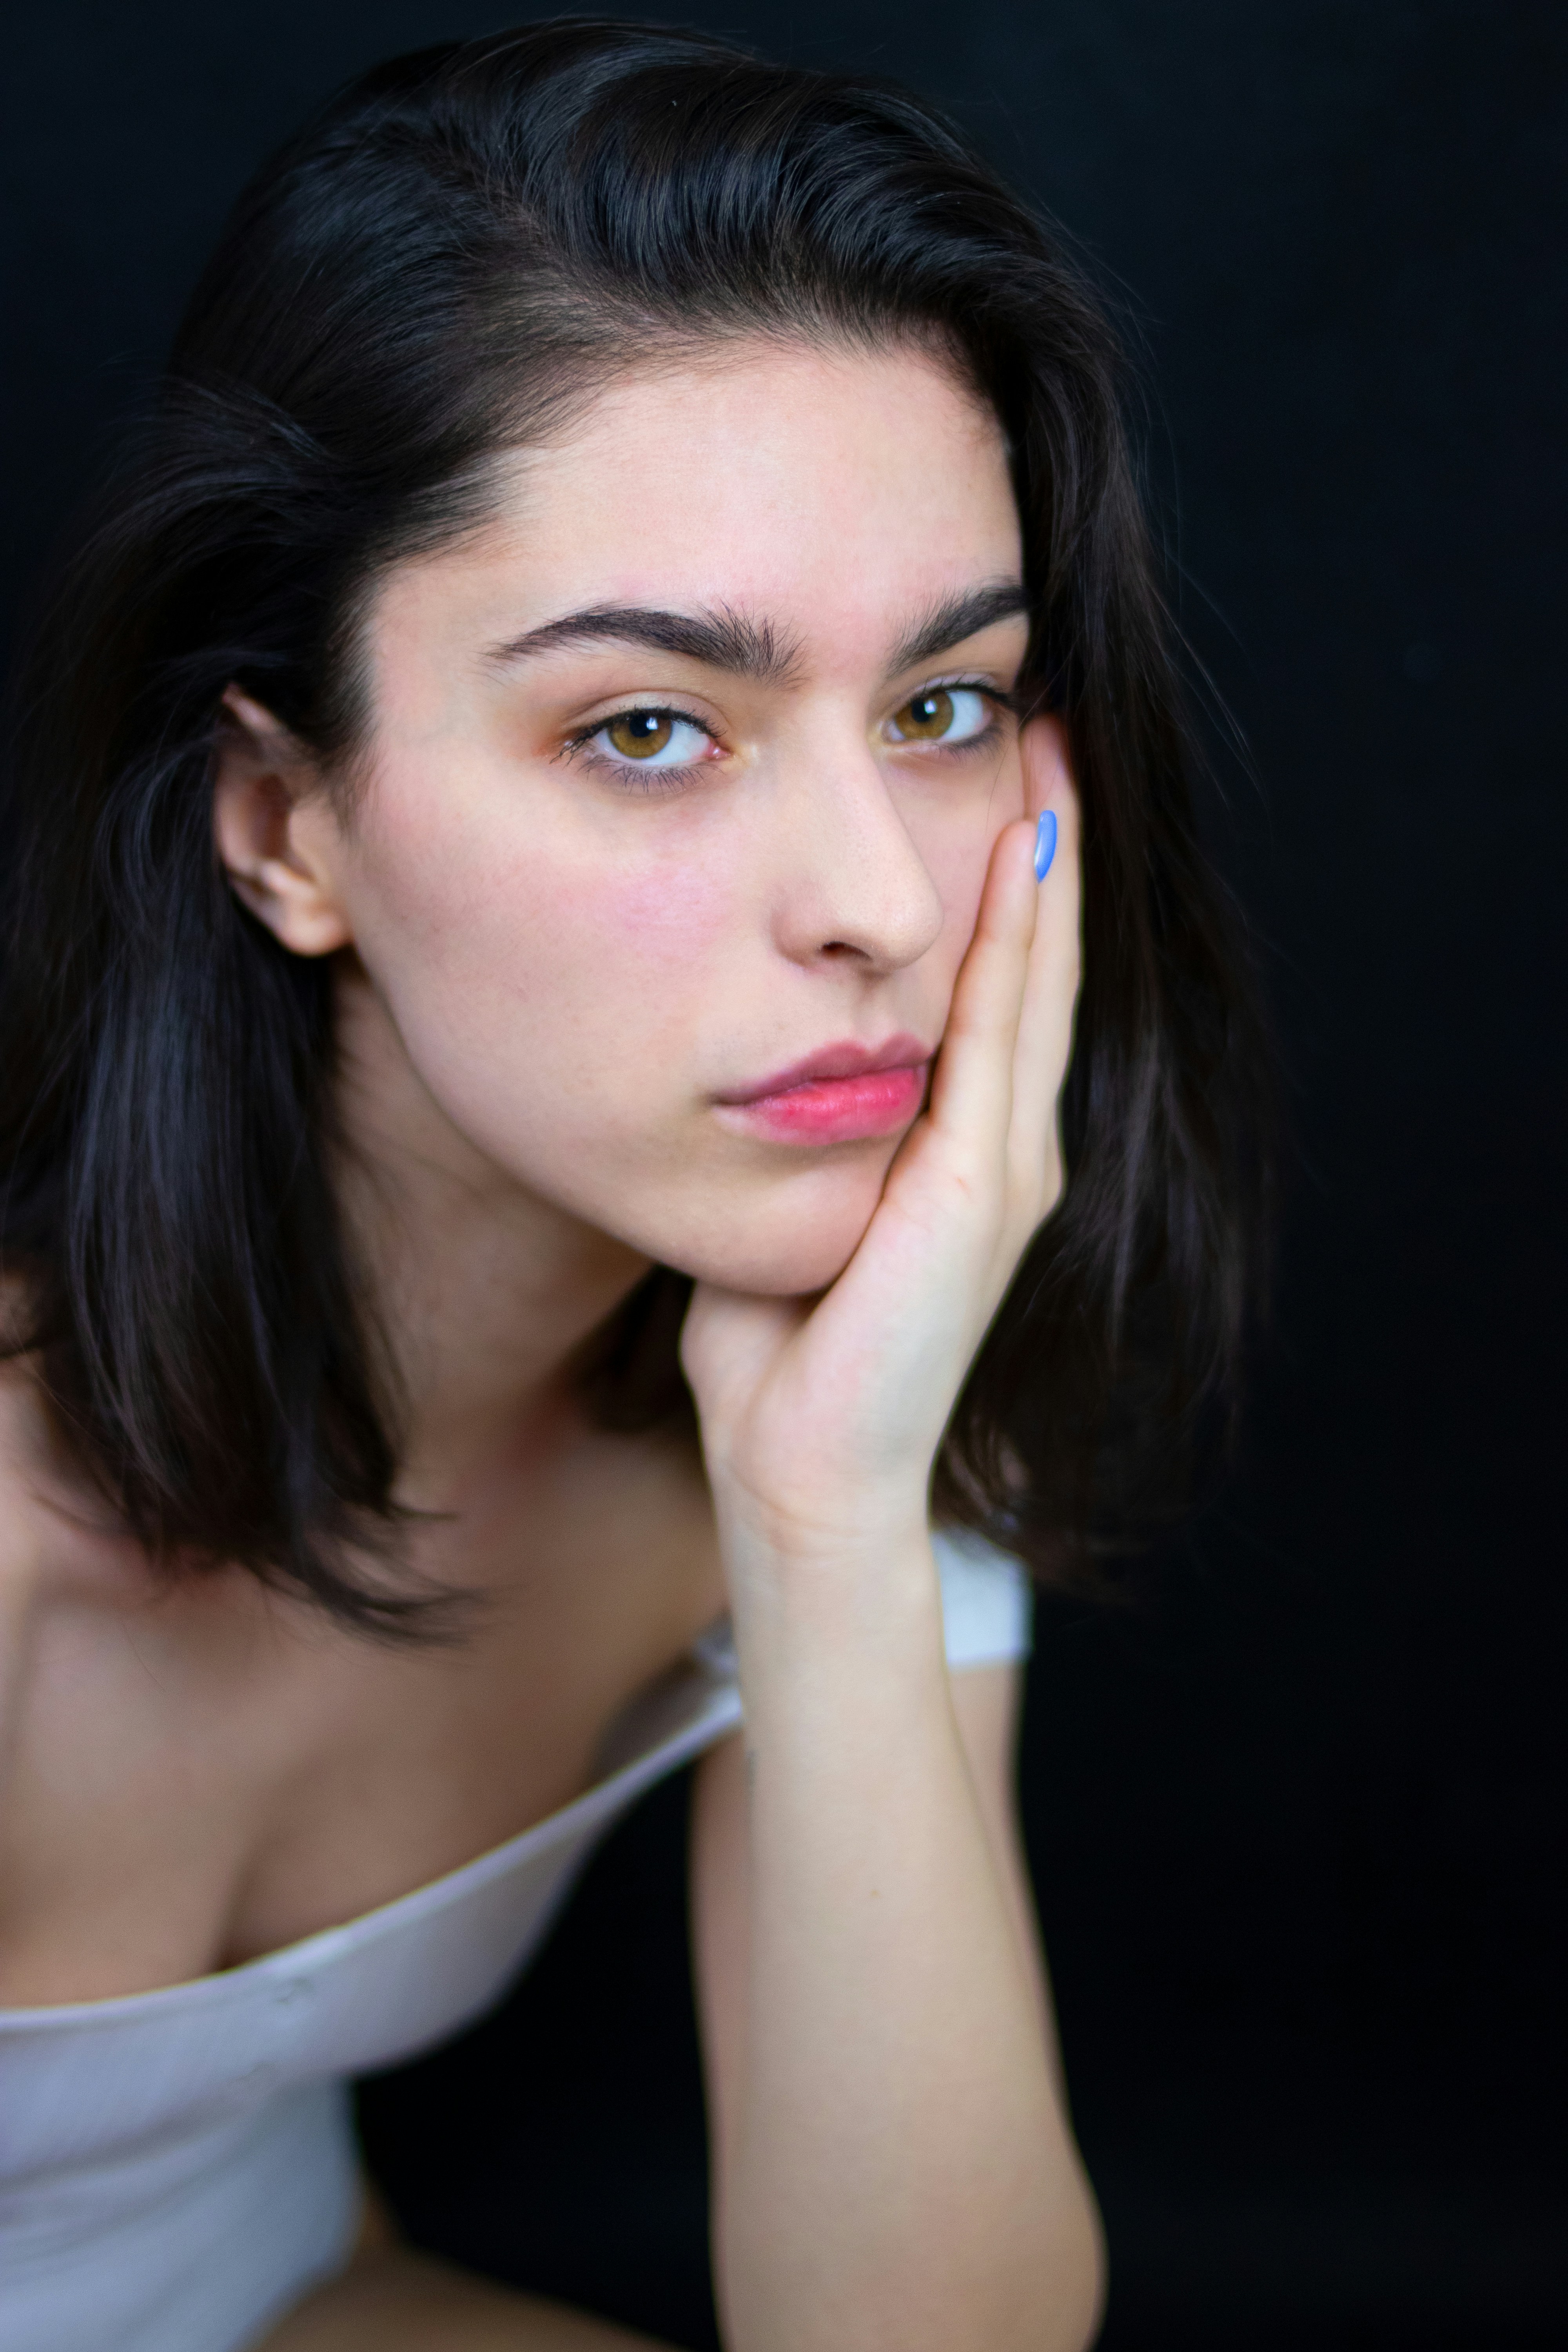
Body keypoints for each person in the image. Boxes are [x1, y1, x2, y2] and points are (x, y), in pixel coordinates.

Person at [0, 20, 1267, 2350]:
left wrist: (831, 1525)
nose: (879, 898)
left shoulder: (833, 1365)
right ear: (287, 825)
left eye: (948, 707)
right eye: (650, 729)